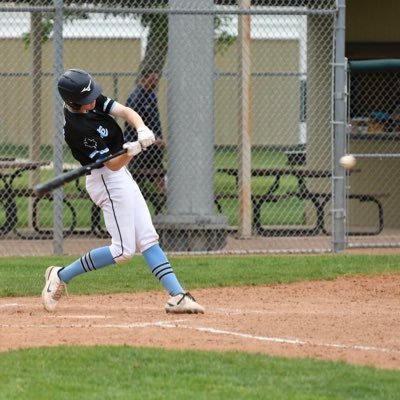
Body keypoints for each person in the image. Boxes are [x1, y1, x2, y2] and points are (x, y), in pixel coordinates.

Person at [41, 68, 204, 314]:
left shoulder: (90, 101)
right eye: (87, 100)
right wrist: (132, 151)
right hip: (105, 180)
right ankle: (60, 275)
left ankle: (178, 296)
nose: (93, 100)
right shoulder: (78, 128)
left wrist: (141, 130)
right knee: (122, 251)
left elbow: (124, 111)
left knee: (148, 238)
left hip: (119, 177)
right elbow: (112, 163)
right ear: (74, 102)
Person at [124, 70, 166, 213]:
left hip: (153, 146)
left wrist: (157, 138)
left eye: (156, 80)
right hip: (139, 145)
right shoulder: (137, 97)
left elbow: (154, 121)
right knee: (138, 178)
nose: (155, 82)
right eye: (152, 79)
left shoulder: (151, 95)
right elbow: (132, 122)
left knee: (158, 175)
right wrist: (152, 139)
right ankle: (135, 205)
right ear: (144, 79)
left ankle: (162, 206)